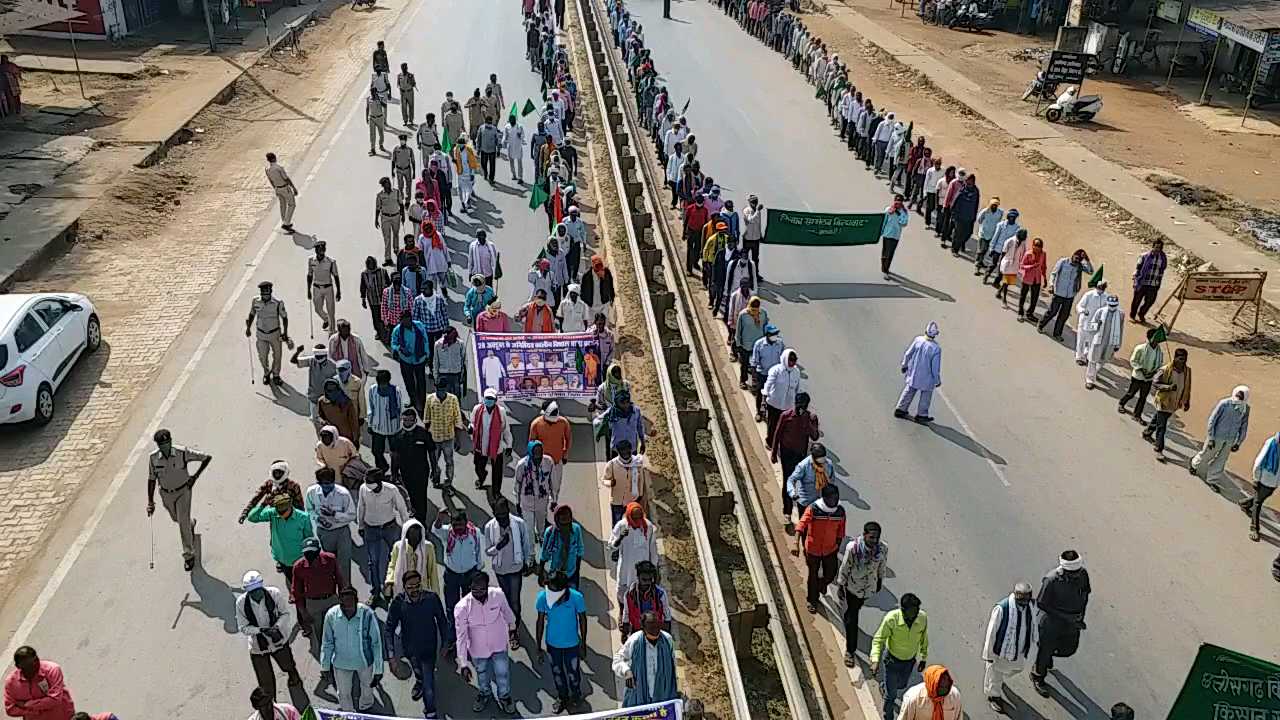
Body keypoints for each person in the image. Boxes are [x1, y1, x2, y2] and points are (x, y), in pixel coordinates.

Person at [383, 569, 447, 719]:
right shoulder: (398, 603)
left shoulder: (432, 599)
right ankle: (419, 681)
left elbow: (443, 622)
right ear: (404, 587)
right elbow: (389, 629)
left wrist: (445, 643)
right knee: (418, 672)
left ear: (421, 584)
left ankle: (431, 713)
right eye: (410, 587)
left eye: (417, 586)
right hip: (410, 650)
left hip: (429, 649)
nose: (414, 590)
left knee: (428, 686)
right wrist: (391, 656)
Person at [146, 429, 212, 572]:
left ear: (171, 441)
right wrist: (150, 502)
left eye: (167, 442)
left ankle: (188, 555)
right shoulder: (153, 458)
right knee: (177, 519)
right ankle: (190, 524)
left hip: (183, 491)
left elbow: (206, 457)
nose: (165, 446)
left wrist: (194, 477)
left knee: (182, 522)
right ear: (157, 445)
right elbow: (151, 479)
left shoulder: (182, 452)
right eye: (162, 444)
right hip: (166, 494)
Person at [235, 571, 304, 701]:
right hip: (258, 646)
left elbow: (285, 614)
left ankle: (293, 675)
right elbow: (243, 628)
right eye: (253, 592)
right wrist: (260, 630)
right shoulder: (241, 603)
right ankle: (271, 703)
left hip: (278, 638)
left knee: (287, 663)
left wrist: (276, 627)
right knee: (265, 680)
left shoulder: (274, 594)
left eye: (258, 590)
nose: (256, 594)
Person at [455, 573, 518, 714]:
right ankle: (484, 693)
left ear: (487, 586)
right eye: (475, 590)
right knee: (482, 674)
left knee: (502, 673)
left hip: (499, 644)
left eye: (482, 590)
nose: (479, 594)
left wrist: (513, 629)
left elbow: (507, 612)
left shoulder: (498, 595)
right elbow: (461, 637)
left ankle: (504, 696)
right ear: (470, 587)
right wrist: (463, 664)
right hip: (478, 650)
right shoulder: (462, 607)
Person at [1031, 551, 1090, 696]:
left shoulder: (1082, 574)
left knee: (1068, 649)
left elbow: (1085, 594)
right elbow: (1041, 603)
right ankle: (1037, 675)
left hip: (1072, 622)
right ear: (1064, 570)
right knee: (1045, 652)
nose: (1076, 575)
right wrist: (1065, 617)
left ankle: (1047, 653)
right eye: (1072, 573)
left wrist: (1081, 616)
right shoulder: (1051, 580)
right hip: (1051, 622)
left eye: (1077, 571)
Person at [320, 587, 383, 713]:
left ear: (356, 601)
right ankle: (348, 712)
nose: (348, 608)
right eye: (344, 605)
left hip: (364, 662)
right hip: (341, 664)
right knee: (343, 693)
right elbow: (327, 643)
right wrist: (325, 667)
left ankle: (366, 706)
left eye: (351, 604)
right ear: (340, 602)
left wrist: (378, 669)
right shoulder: (331, 615)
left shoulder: (368, 614)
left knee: (367, 687)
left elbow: (376, 643)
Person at [869, 593, 929, 720]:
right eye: (913, 610)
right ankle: (887, 715)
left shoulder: (922, 618)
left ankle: (884, 686)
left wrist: (923, 658)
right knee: (891, 695)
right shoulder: (892, 619)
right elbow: (878, 639)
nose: (917, 613)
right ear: (903, 610)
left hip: (909, 662)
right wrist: (875, 660)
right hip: (892, 661)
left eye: (918, 609)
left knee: (901, 685)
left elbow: (924, 638)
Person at [535, 571, 589, 713]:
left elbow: (583, 619)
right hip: (552, 645)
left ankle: (576, 694)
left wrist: (583, 643)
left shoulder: (577, 598)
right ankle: (562, 696)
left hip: (572, 644)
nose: (551, 592)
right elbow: (540, 621)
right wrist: (538, 645)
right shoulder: (542, 598)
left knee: (573, 672)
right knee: (557, 672)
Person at [836, 521, 887, 667]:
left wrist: (879, 582)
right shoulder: (853, 548)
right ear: (864, 535)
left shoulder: (882, 549)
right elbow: (845, 567)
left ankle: (848, 616)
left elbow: (882, 566)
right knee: (853, 617)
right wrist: (841, 585)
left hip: (868, 589)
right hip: (853, 587)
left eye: (876, 538)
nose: (874, 541)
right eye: (871, 537)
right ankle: (850, 651)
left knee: (854, 610)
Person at [982, 583, 1037, 714]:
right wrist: (989, 655)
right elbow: (991, 633)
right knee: (995, 673)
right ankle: (993, 696)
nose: (1025, 603)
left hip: (1018, 650)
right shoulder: (1002, 608)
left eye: (1027, 599)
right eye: (1023, 600)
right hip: (1000, 652)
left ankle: (999, 679)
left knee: (1018, 668)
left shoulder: (1029, 606)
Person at [358, 469, 410, 605]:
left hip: (389, 527)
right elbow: (361, 507)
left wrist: (406, 527)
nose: (369, 486)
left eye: (371, 483)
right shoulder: (363, 489)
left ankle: (393, 587)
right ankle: (375, 592)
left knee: (395, 559)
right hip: (371, 528)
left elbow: (402, 509)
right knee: (373, 562)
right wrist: (361, 526)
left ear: (379, 482)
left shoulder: (391, 490)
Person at [792, 483, 846, 614]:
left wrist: (837, 546)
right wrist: (796, 544)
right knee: (813, 575)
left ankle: (822, 585)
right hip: (813, 550)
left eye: (836, 498)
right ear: (824, 498)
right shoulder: (814, 509)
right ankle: (812, 599)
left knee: (831, 573)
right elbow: (801, 525)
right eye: (831, 498)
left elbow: (841, 531)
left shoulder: (840, 512)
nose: (834, 501)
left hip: (830, 549)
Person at [291, 536, 345, 653]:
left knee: (337, 628)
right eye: (307, 554)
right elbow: (297, 592)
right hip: (313, 604)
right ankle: (326, 657)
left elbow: (340, 580)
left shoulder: (330, 559)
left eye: (312, 553)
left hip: (331, 599)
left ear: (319, 550)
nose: (310, 557)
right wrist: (303, 612)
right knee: (320, 632)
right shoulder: (298, 567)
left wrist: (343, 599)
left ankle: (341, 653)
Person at [248, 493, 315, 586]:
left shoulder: (303, 517)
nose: (281, 514)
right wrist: (263, 504)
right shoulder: (273, 514)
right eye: (279, 512)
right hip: (282, 558)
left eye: (284, 512)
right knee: (292, 581)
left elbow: (308, 538)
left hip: (299, 558)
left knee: (302, 580)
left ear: (290, 506)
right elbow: (252, 517)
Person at [1190, 385, 1250, 488]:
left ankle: (1212, 480)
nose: (1238, 398)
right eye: (1238, 395)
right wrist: (1211, 437)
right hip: (1217, 436)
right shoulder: (1224, 404)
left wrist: (1238, 442)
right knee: (1207, 454)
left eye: (1241, 396)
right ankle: (1194, 464)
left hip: (1230, 439)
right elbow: (1212, 420)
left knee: (1222, 460)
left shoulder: (1245, 409)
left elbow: (1244, 426)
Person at [613, 613, 678, 707]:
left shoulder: (667, 640)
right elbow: (617, 659)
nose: (655, 633)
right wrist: (626, 671)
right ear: (643, 629)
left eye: (657, 629)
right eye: (651, 630)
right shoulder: (634, 641)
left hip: (663, 696)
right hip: (638, 697)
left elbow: (673, 667)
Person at [304, 467, 356, 579]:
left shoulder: (343, 494)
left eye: (330, 483)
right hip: (324, 532)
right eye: (325, 484)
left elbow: (352, 515)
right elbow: (309, 510)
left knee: (344, 562)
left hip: (341, 531)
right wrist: (318, 518)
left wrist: (334, 514)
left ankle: (346, 589)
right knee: (330, 560)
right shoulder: (312, 492)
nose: (328, 486)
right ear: (319, 483)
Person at [1144, 348, 1192, 458]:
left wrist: (1187, 401)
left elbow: (1188, 387)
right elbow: (1155, 383)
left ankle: (1147, 432)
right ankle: (1158, 449)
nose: (1183, 362)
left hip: (1175, 403)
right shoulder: (1165, 369)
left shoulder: (1187, 371)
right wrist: (1168, 387)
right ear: (1175, 358)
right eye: (1180, 359)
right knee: (1162, 426)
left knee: (1161, 419)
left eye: (1185, 359)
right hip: (1163, 401)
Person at [3, 646, 75, 720]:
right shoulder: (11, 683)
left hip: (62, 716)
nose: (35, 665)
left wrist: (26, 704)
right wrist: (33, 712)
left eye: (36, 660)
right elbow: (10, 709)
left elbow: (55, 699)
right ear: (18, 666)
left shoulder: (52, 670)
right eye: (29, 665)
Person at [610, 503, 660, 606]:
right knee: (622, 592)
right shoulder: (622, 525)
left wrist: (654, 567)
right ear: (629, 516)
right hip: (626, 567)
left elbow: (653, 549)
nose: (637, 520)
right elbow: (612, 545)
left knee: (641, 592)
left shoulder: (649, 527)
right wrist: (621, 537)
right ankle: (622, 611)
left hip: (642, 570)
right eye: (634, 518)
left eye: (639, 517)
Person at [1038, 249, 1093, 340]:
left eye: (1079, 259)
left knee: (1063, 316)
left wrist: (1086, 259)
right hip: (1059, 293)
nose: (1076, 261)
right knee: (1052, 312)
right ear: (1073, 255)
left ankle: (1057, 334)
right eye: (1076, 258)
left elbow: (1090, 271)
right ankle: (1041, 325)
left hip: (1070, 295)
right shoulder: (1063, 262)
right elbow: (1053, 274)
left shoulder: (1079, 266)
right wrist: (1051, 285)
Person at [894, 322, 942, 424]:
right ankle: (921, 415)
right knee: (926, 395)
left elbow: (908, 354)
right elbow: (935, 368)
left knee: (909, 390)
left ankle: (900, 409)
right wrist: (937, 380)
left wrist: (904, 365)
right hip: (927, 377)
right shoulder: (936, 348)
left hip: (914, 373)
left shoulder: (918, 340)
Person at [245, 281, 291, 385]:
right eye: (263, 292)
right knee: (262, 356)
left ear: (270, 291)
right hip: (261, 333)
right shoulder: (255, 301)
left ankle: (276, 375)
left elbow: (284, 318)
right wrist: (248, 328)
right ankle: (266, 373)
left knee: (277, 356)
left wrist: (285, 333)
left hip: (275, 333)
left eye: (267, 292)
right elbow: (252, 314)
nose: (265, 294)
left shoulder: (278, 303)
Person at [471, 388, 514, 496]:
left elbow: (505, 429)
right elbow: (472, 422)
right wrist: (470, 428)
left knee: (497, 472)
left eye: (491, 399)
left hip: (496, 447)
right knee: (478, 467)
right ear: (484, 399)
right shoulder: (477, 409)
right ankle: (482, 477)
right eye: (487, 398)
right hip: (480, 446)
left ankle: (496, 492)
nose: (489, 401)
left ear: (495, 400)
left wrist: (509, 445)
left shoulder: (501, 412)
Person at [385, 518, 440, 601]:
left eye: (417, 532)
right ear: (406, 533)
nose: (415, 535)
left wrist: (435, 595)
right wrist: (389, 583)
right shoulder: (398, 546)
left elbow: (432, 572)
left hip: (421, 590)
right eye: (412, 532)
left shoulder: (428, 547)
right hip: (402, 589)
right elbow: (392, 566)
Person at [1118, 327, 1164, 423]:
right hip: (1138, 376)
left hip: (1149, 378)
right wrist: (1141, 369)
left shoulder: (1159, 352)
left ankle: (1137, 415)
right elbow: (1133, 361)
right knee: (1131, 393)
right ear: (1150, 338)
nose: (1156, 342)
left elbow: (1159, 364)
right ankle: (1121, 403)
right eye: (1155, 339)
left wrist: (1154, 372)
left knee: (1143, 397)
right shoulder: (1140, 348)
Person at [238, 460, 305, 525]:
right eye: (275, 472)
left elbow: (300, 506)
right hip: (275, 518)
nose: (277, 475)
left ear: (285, 472)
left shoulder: (293, 486)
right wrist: (245, 513)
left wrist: (301, 522)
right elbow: (255, 499)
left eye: (279, 472)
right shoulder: (269, 484)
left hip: (291, 519)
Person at [425, 385, 466, 488]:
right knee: (434, 461)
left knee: (449, 461)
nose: (440, 392)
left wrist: (458, 439)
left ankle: (448, 481)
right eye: (439, 389)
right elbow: (427, 418)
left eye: (442, 390)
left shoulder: (453, 399)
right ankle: (436, 476)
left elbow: (457, 419)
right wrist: (427, 438)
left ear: (446, 389)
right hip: (434, 438)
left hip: (449, 437)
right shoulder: (430, 398)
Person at [391, 310, 430, 414]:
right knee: (409, 381)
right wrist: (399, 348)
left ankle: (422, 401)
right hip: (406, 360)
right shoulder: (397, 330)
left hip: (419, 359)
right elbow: (393, 343)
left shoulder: (419, 326)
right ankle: (413, 399)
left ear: (411, 319)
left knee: (421, 381)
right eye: (404, 321)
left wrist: (427, 354)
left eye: (408, 320)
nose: (406, 323)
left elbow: (425, 339)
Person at [601, 439, 648, 526]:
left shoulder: (637, 462)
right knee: (617, 525)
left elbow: (641, 479)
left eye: (627, 450)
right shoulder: (611, 464)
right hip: (617, 501)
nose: (626, 452)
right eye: (622, 450)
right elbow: (604, 480)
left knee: (632, 524)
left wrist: (640, 495)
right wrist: (610, 483)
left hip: (633, 499)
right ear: (618, 452)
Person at [516, 440, 557, 538]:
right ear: (530, 452)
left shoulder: (548, 462)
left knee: (541, 527)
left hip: (542, 501)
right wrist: (517, 502)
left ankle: (542, 540)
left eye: (540, 453)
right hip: (527, 502)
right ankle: (531, 551)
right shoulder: (522, 465)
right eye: (535, 453)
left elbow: (553, 483)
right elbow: (517, 484)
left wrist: (554, 500)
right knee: (529, 529)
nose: (538, 457)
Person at [763, 348, 802, 448]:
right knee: (772, 425)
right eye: (790, 360)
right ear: (785, 359)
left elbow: (797, 387)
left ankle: (779, 442)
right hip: (774, 403)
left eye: (794, 360)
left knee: (784, 426)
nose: (792, 362)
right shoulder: (776, 370)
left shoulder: (796, 372)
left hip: (787, 405)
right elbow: (768, 384)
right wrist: (765, 395)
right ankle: (770, 441)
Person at [1084, 295, 1124, 390]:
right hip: (1098, 340)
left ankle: (1095, 372)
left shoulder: (1120, 314)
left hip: (1110, 342)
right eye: (1111, 305)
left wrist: (1118, 344)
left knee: (1104, 359)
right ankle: (1090, 379)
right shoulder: (1100, 312)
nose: (1112, 307)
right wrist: (1097, 325)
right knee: (1093, 359)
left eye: (1114, 305)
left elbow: (1121, 329)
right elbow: (1092, 326)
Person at [292, 343, 337, 424]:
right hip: (313, 397)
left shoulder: (333, 366)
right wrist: (297, 352)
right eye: (317, 357)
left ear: (325, 355)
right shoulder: (312, 360)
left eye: (320, 357)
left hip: (326, 399)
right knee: (315, 420)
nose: (318, 359)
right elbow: (293, 361)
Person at [541, 504, 585, 586]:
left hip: (570, 574)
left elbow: (579, 552)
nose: (565, 527)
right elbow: (544, 556)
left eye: (568, 523)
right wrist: (541, 575)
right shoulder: (549, 533)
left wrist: (576, 574)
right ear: (557, 522)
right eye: (563, 524)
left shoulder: (576, 530)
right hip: (554, 576)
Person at [735, 298, 771, 391]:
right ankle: (743, 380)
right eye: (753, 309)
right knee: (745, 364)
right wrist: (738, 344)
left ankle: (755, 382)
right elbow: (738, 330)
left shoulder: (763, 314)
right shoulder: (743, 315)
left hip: (759, 344)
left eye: (756, 309)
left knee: (756, 365)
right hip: (746, 344)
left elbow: (766, 327)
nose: (754, 311)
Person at [1073, 279, 1109, 366]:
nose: (1100, 290)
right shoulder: (1089, 295)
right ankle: (1079, 357)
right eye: (1099, 288)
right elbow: (1079, 306)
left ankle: (1087, 356)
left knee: (1091, 341)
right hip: (1085, 320)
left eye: (1102, 288)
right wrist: (1083, 311)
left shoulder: (1106, 297)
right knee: (1081, 340)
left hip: (1095, 323)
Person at [318, 379, 360, 451]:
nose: (332, 393)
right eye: (329, 390)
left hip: (346, 437)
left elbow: (354, 422)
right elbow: (319, 416)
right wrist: (322, 421)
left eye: (334, 390)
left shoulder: (347, 403)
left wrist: (356, 438)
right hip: (331, 437)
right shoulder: (322, 401)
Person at [1131, 239, 1167, 323]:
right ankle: (1132, 316)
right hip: (1142, 283)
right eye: (1156, 247)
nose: (1158, 249)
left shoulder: (1163, 258)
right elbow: (1138, 268)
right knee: (1136, 301)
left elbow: (1162, 269)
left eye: (1160, 248)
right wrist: (1136, 279)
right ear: (1153, 246)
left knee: (1150, 301)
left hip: (1153, 284)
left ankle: (1141, 314)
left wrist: (1158, 282)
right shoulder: (1144, 256)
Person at [265, 153, 298, 233]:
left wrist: (275, 188)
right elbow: (286, 179)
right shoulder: (279, 168)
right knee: (292, 204)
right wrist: (293, 187)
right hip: (284, 188)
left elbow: (271, 181)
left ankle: (284, 220)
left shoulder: (267, 169)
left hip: (277, 188)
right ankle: (286, 223)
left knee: (282, 205)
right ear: (274, 158)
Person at [879, 195, 910, 279]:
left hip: (895, 235)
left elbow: (904, 223)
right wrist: (880, 232)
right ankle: (884, 268)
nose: (897, 204)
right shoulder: (888, 209)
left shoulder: (904, 212)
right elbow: (884, 220)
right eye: (896, 202)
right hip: (887, 234)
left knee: (890, 253)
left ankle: (886, 269)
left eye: (899, 203)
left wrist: (898, 213)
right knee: (885, 252)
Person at [1017, 238, 1048, 322]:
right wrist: (1031, 266)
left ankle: (1030, 314)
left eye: (1039, 246)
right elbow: (1022, 265)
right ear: (1033, 245)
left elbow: (1043, 266)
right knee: (1023, 296)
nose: (1037, 248)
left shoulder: (1043, 254)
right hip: (1027, 278)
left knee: (1034, 298)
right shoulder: (1028, 254)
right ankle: (1020, 313)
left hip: (1037, 279)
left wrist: (1045, 278)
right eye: (1036, 246)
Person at [995, 228, 1029, 305]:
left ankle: (999, 292)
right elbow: (1003, 253)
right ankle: (1004, 300)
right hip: (1007, 264)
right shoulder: (1010, 241)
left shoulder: (1023, 243)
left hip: (1015, 265)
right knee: (1006, 282)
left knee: (1007, 282)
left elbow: (1023, 254)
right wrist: (1000, 264)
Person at [431, 327, 465, 398]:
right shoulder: (438, 344)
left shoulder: (460, 344)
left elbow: (463, 360)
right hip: (443, 374)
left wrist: (462, 375)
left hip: (456, 374)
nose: (451, 340)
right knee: (444, 398)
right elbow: (436, 361)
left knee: (456, 398)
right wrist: (436, 377)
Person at [972, 197, 1003, 274]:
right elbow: (979, 220)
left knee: (985, 250)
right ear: (990, 204)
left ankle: (981, 262)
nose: (994, 206)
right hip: (983, 234)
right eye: (993, 205)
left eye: (996, 205)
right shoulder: (985, 211)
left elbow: (999, 223)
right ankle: (977, 266)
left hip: (991, 235)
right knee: (980, 251)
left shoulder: (999, 213)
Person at [582, 255, 616, 324]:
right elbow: (582, 291)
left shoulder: (606, 272)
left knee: (604, 324)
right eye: (597, 266)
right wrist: (585, 304)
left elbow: (611, 286)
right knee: (591, 324)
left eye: (601, 266)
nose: (599, 269)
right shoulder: (586, 276)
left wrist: (612, 298)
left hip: (604, 303)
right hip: (591, 305)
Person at [453, 135, 481, 212]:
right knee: (460, 189)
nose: (460, 145)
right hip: (459, 173)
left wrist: (472, 174)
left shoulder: (468, 151)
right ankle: (463, 205)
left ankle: (467, 202)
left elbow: (472, 163)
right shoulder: (456, 150)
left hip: (467, 174)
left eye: (462, 144)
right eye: (459, 143)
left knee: (468, 190)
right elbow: (456, 160)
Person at [477, 116, 502, 183]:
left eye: (490, 122)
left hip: (492, 150)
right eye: (488, 122)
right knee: (483, 164)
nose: (489, 123)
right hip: (484, 150)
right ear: (485, 121)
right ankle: (485, 172)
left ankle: (491, 178)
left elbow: (497, 139)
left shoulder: (494, 129)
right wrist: (478, 149)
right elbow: (478, 139)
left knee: (492, 166)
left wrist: (498, 149)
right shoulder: (481, 128)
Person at [504, 115, 526, 183]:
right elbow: (505, 136)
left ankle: (520, 177)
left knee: (519, 162)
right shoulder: (507, 127)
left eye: (513, 122)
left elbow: (523, 136)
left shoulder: (520, 127)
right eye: (511, 122)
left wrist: (520, 136)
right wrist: (503, 142)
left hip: (518, 147)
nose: (512, 123)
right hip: (510, 147)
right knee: (511, 161)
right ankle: (514, 175)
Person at [366, 89, 388, 156]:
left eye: (374, 92)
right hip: (372, 118)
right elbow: (367, 108)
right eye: (372, 92)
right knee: (372, 134)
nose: (373, 94)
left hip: (379, 118)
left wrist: (380, 100)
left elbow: (385, 106)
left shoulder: (380, 98)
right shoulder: (368, 99)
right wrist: (366, 118)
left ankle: (381, 144)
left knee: (381, 133)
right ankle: (373, 149)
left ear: (376, 92)